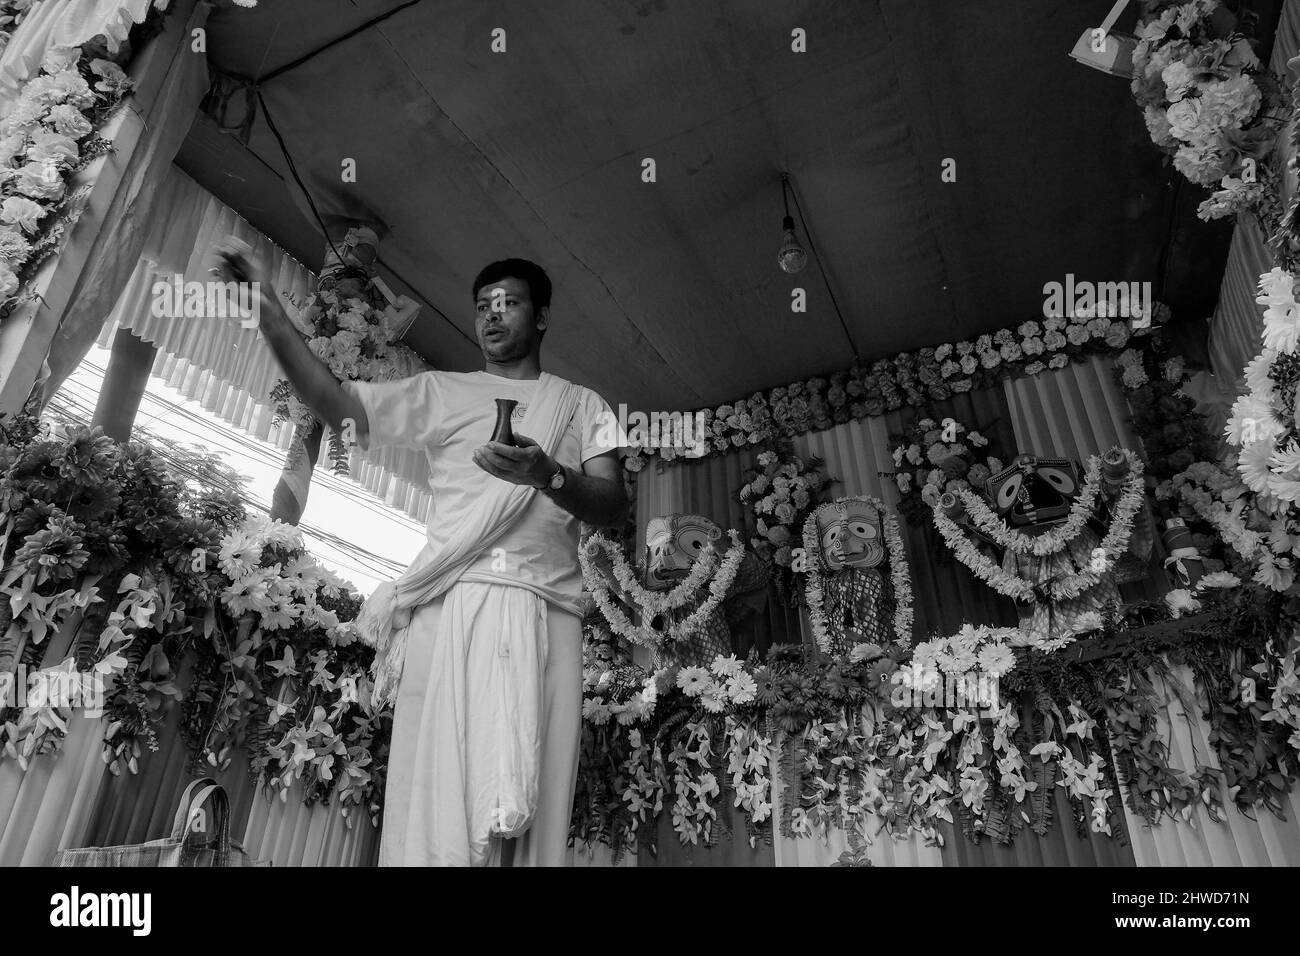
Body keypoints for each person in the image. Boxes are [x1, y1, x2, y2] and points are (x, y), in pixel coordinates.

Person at [211, 246, 628, 866]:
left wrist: (548, 475)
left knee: (537, 791)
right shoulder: (443, 391)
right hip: (450, 605)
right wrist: (271, 317)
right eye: (483, 305)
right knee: (436, 778)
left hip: (548, 610)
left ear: (541, 317)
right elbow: (339, 407)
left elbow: (614, 504)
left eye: (509, 303)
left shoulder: (584, 405)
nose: (493, 315)